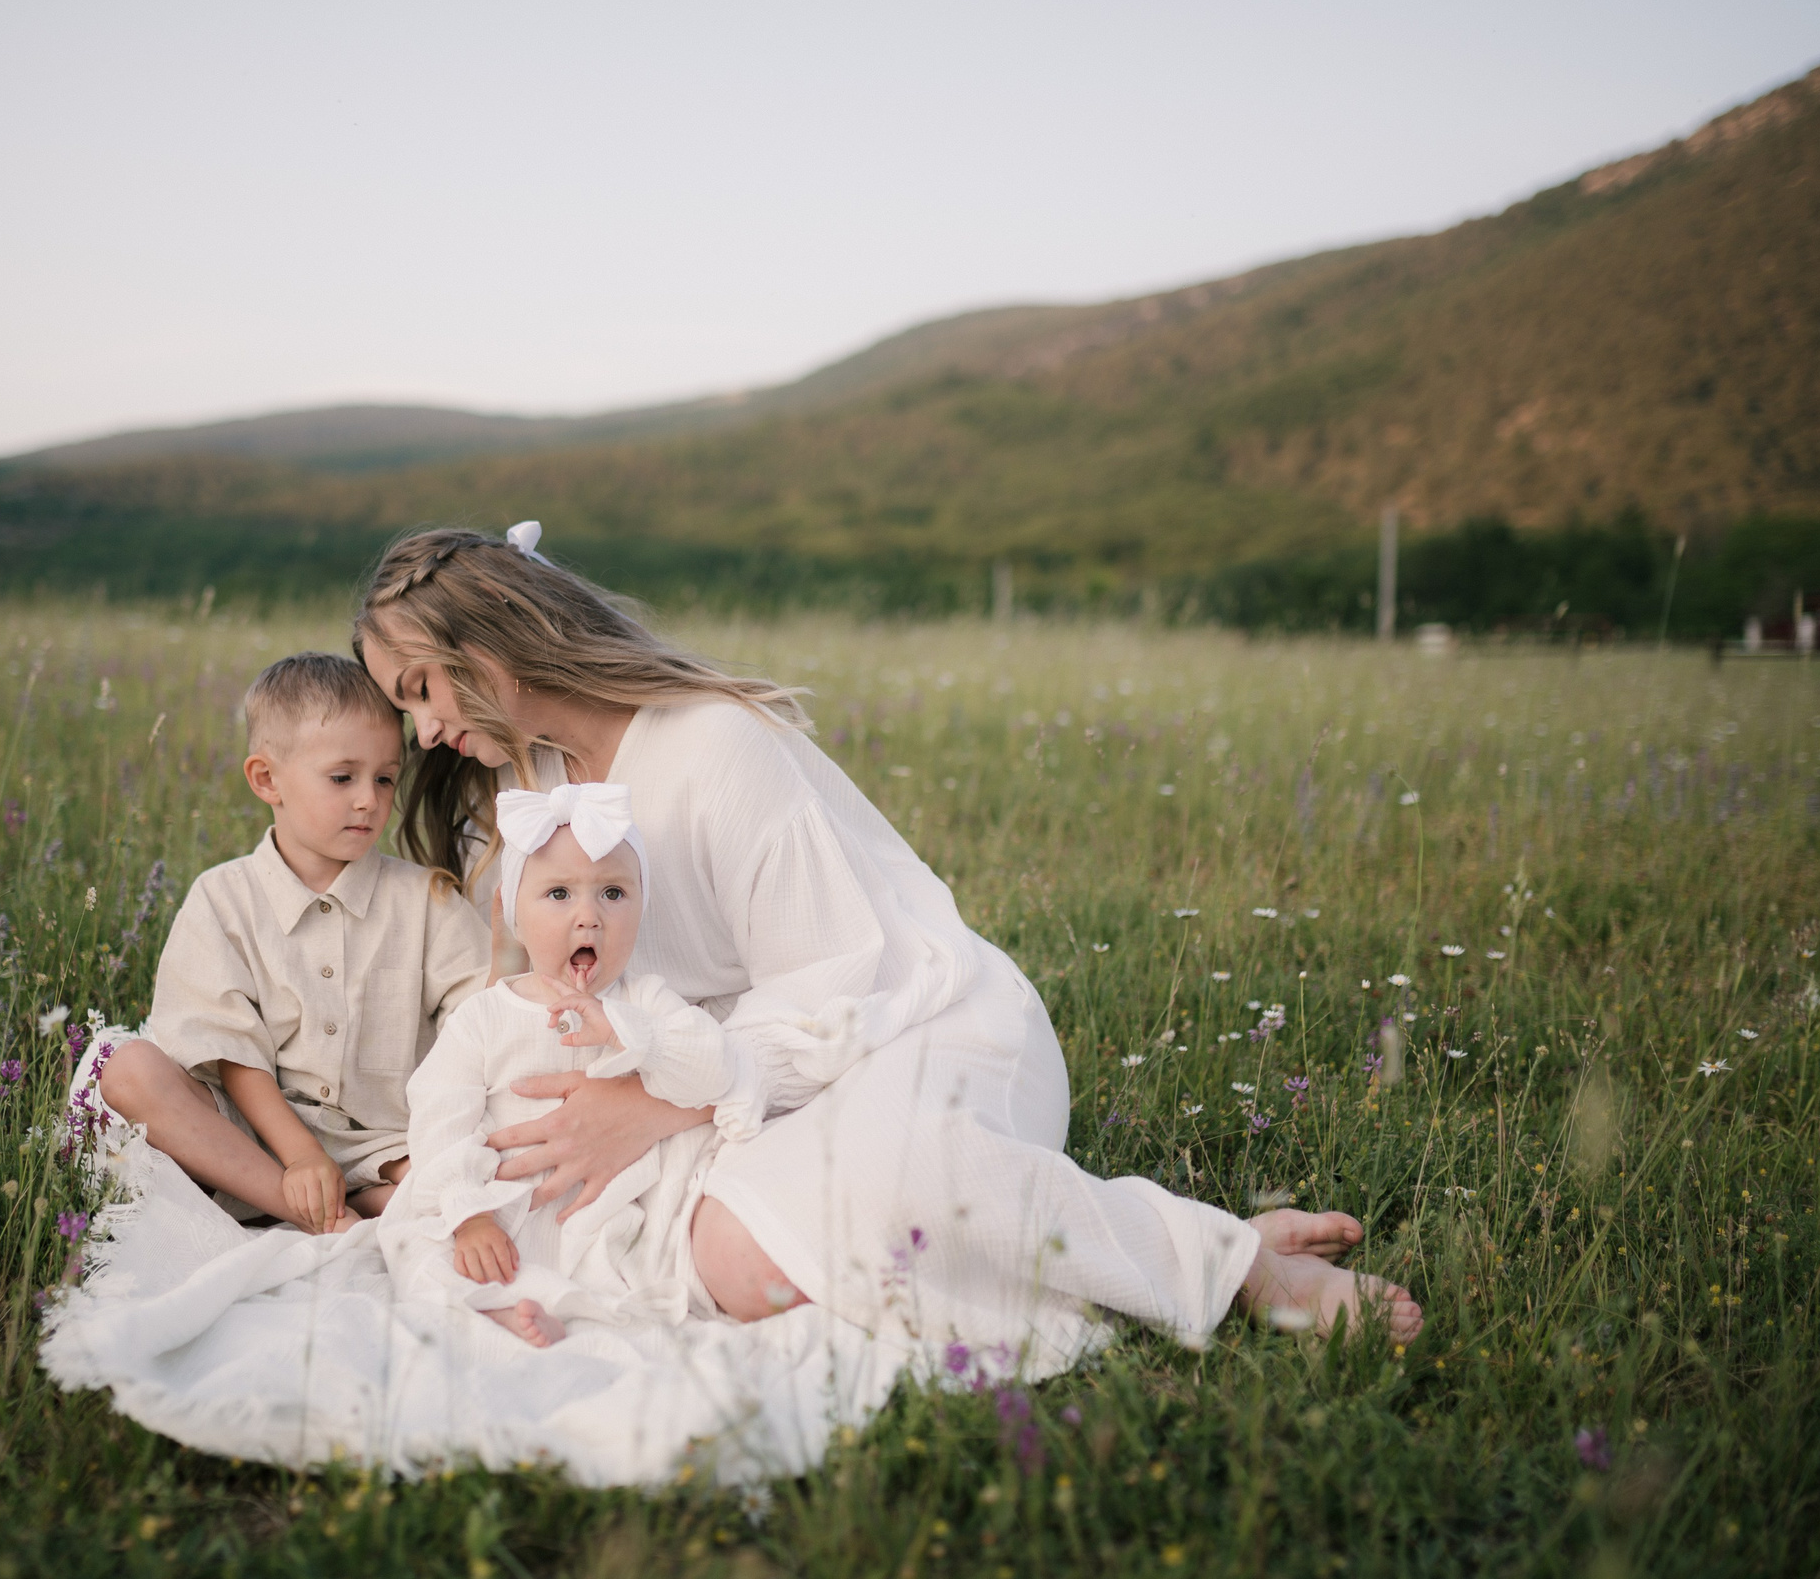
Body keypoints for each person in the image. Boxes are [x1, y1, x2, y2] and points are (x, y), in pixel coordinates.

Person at [354, 524, 1421, 1360]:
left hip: (908, 1026)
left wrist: (648, 1106)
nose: (426, 731)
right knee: (734, 1265)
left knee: (892, 1191)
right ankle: (1086, 1241)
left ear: (486, 645)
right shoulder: (532, 785)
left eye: (421, 691)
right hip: (731, 1081)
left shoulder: (714, 746)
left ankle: (1227, 1265)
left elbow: (835, 989)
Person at [93, 651, 488, 1233]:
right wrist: (300, 1156)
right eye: (342, 778)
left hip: (383, 1138)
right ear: (266, 779)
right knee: (128, 1071)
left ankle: (369, 1199)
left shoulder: (425, 898)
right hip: (254, 1136)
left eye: (384, 778)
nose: (368, 800)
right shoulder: (224, 898)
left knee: (463, 1164)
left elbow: (480, 1013)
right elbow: (231, 1051)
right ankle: (309, 1208)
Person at [386, 780, 770, 1347]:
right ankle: (491, 1308)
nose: (588, 917)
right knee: (419, 1252)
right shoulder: (486, 1017)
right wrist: (469, 1215)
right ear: (515, 913)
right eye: (559, 894)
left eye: (613, 894)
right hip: (498, 1208)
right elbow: (441, 1120)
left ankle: (577, 1313)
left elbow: (715, 1069)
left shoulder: (644, 1004)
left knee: (633, 1268)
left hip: (604, 1214)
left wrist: (626, 1031)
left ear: (642, 906)